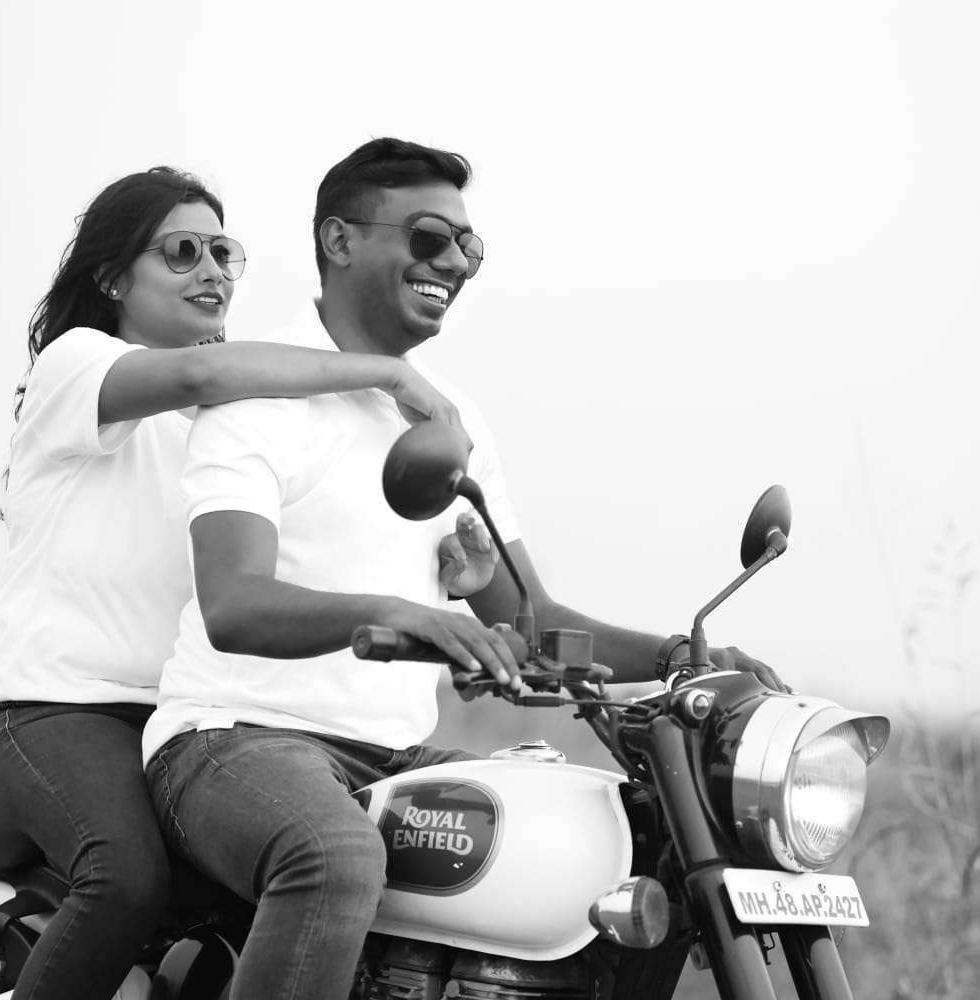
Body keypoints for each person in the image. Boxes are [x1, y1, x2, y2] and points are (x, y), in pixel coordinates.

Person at [140, 139, 783, 1000]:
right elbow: (234, 603)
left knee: (611, 837)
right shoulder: (259, 395)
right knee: (332, 856)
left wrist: (679, 658)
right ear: (338, 240)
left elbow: (529, 623)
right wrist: (408, 612)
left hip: (394, 756)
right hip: (233, 738)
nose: (452, 262)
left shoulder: (448, 416)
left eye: (467, 247)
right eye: (429, 237)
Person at [0, 166, 494, 1000]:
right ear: (112, 278)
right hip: (57, 708)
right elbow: (200, 375)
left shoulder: (235, 410)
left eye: (224, 252)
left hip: (195, 709)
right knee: (126, 878)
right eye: (182, 251)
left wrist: (449, 578)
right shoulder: (79, 367)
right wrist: (387, 373)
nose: (211, 270)